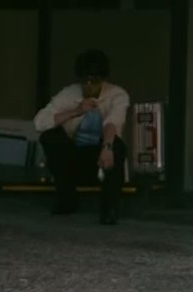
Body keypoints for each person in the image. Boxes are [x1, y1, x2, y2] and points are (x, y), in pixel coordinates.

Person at [33, 48, 131, 225]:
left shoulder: (117, 95)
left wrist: (107, 147)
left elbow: (113, 122)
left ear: (103, 79)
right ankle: (66, 199)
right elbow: (40, 122)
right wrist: (76, 111)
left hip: (101, 156)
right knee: (51, 137)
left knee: (117, 145)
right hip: (74, 156)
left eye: (95, 80)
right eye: (85, 80)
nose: (89, 85)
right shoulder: (70, 94)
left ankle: (110, 208)